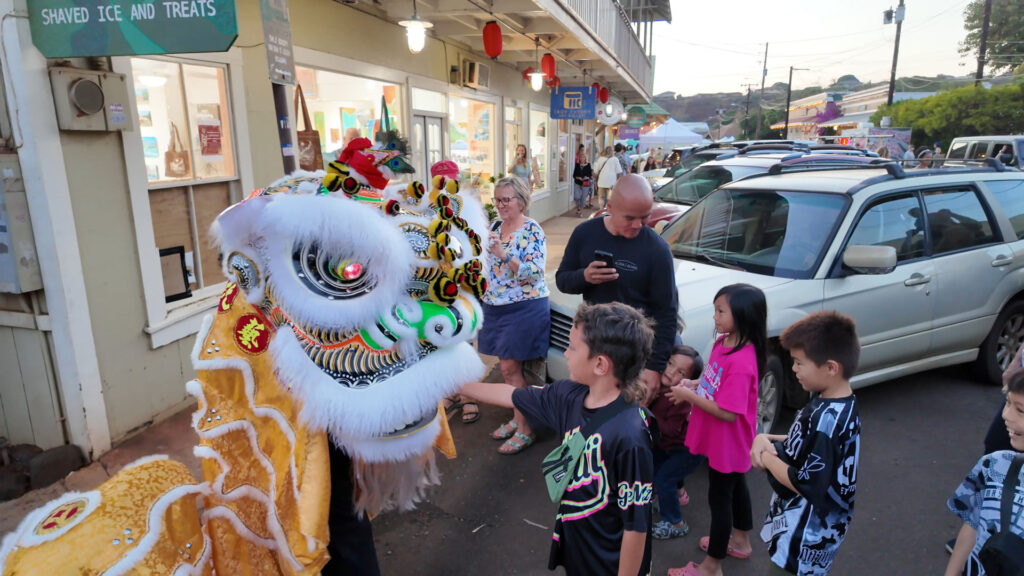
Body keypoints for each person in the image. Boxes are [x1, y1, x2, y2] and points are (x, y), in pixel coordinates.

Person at [461, 302, 656, 576]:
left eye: (573, 347)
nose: (565, 353)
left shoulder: (631, 437)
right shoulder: (568, 396)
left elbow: (636, 526)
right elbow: (512, 395)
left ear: (600, 364)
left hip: (611, 562)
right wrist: (451, 385)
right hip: (579, 543)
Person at [665, 283, 766, 576]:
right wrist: (695, 384)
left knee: (720, 500)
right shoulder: (725, 343)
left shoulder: (743, 361)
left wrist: (688, 397)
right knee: (736, 489)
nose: (715, 317)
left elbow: (727, 412)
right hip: (725, 441)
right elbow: (713, 379)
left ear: (744, 315)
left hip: (728, 442)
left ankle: (711, 567)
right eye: (715, 310)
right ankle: (741, 540)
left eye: (721, 311)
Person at [750, 311, 862, 576]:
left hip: (804, 535)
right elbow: (808, 444)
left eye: (800, 363)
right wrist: (765, 438)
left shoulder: (828, 420)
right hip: (800, 525)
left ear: (831, 367)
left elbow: (806, 483)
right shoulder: (835, 402)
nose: (793, 369)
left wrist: (765, 457)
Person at [555, 174, 679, 406]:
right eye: (630, 218)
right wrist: (585, 276)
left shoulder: (657, 250)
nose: (638, 225)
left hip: (635, 355)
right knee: (589, 409)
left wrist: (654, 368)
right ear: (609, 207)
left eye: (645, 217)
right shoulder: (585, 234)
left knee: (623, 421)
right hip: (594, 346)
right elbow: (562, 280)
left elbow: (666, 313)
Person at [475, 176, 550, 454]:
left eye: (506, 199)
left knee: (510, 369)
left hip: (523, 308)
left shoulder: (532, 230)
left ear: (521, 201)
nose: (500, 205)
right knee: (509, 370)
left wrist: (503, 254)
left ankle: (526, 429)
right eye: (497, 199)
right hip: (495, 306)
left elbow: (534, 272)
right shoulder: (495, 226)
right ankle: (519, 418)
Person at [946, 369, 1024, 576]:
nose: (1006, 415)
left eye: (1021, 410)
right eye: (1007, 403)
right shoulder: (993, 464)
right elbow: (971, 529)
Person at [650, 345, 706, 540]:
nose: (671, 371)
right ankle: (657, 500)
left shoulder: (679, 398)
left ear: (688, 381)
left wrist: (648, 417)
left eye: (680, 372)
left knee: (665, 478)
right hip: (668, 446)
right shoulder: (657, 384)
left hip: (688, 450)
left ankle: (676, 523)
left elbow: (672, 429)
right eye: (670, 363)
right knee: (655, 468)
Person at [572, 144, 593, 217]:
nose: (582, 159)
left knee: (583, 197)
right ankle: (578, 207)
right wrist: (578, 178)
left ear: (585, 158)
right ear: (579, 158)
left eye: (583, 157)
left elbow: (590, 175)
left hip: (585, 183)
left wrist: (587, 177)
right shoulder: (577, 165)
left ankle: (581, 211)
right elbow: (574, 175)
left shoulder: (588, 165)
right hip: (578, 182)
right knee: (576, 197)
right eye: (581, 157)